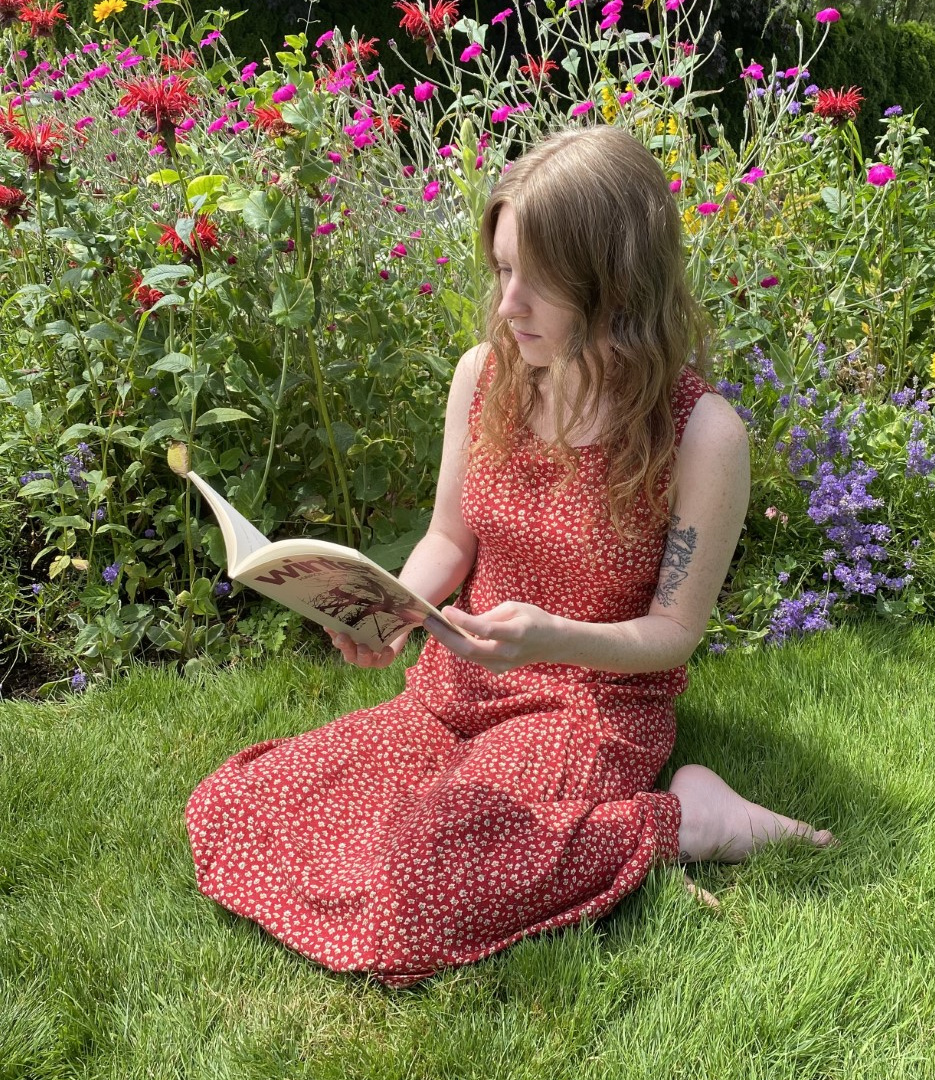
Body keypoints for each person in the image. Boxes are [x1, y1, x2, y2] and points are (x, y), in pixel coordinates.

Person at [185, 125, 833, 987]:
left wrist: (551, 638)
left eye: (538, 279)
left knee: (417, 889)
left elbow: (675, 632)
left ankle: (687, 818)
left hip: (589, 708)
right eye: (501, 270)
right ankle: (589, 816)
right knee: (235, 805)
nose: (509, 304)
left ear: (617, 284)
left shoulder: (701, 434)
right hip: (458, 688)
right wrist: (391, 610)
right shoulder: (484, 377)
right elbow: (450, 537)